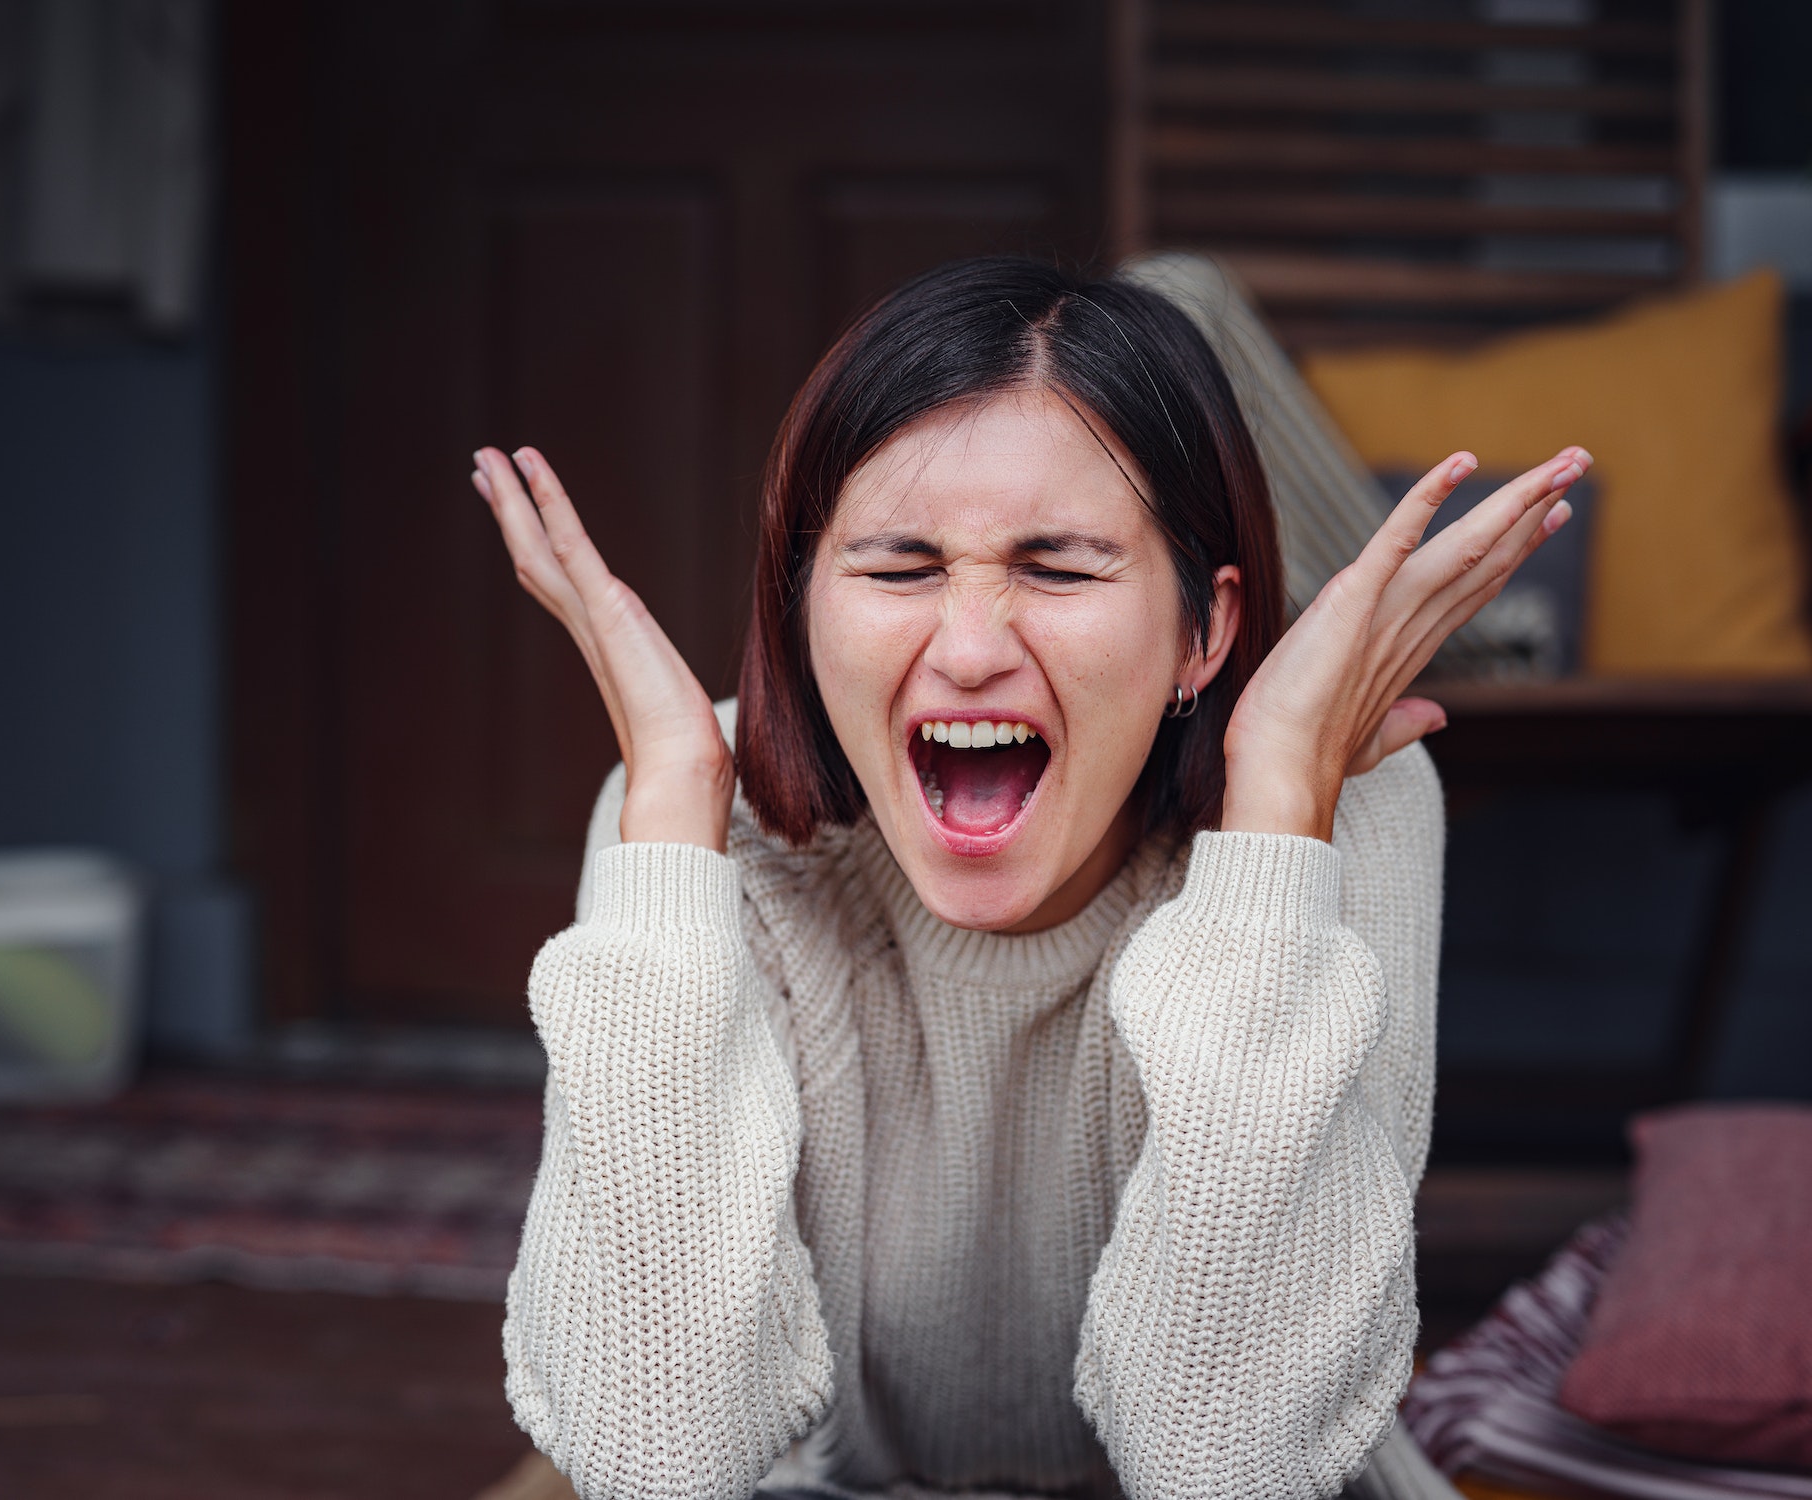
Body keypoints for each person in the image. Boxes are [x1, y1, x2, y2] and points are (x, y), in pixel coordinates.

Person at [472, 258, 1586, 1500]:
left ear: (1203, 632)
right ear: (797, 613)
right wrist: (671, 796)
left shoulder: (1341, 801)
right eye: (897, 569)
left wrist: (1275, 807)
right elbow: (648, 1453)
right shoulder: (683, 821)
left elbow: (1231, 1465)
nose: (965, 649)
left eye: (1057, 570)